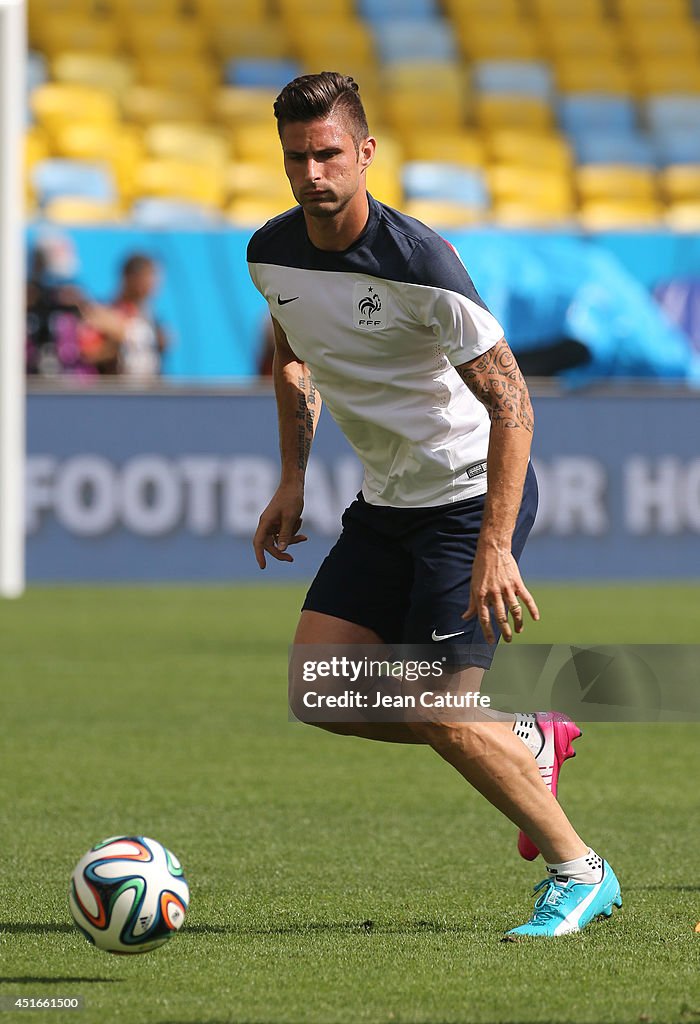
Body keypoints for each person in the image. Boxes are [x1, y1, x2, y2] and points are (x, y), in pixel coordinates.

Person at [248, 72, 621, 938]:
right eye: (298, 156)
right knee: (323, 689)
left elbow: (513, 402)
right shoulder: (270, 253)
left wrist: (496, 546)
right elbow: (294, 357)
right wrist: (294, 478)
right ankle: (527, 738)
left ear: (365, 153)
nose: (313, 172)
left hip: (468, 495)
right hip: (388, 504)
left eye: (329, 153)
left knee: (442, 710)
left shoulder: (421, 262)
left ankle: (580, 869)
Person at [86, 254, 168, 380]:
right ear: (129, 278)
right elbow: (90, 354)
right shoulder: (104, 312)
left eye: (155, 276)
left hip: (149, 392)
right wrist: (118, 340)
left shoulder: (151, 318)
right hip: (117, 393)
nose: (153, 283)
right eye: (148, 275)